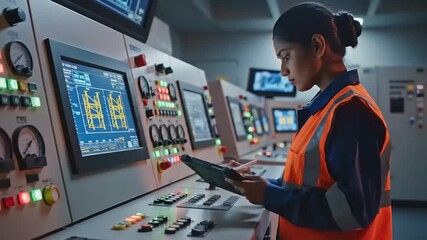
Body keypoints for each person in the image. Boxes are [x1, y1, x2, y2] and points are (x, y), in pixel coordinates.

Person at [226, 2, 392, 240]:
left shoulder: (350, 111)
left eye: (286, 56)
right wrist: (261, 185)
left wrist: (269, 196)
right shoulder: (325, 108)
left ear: (317, 45)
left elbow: (354, 209)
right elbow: (305, 185)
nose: (283, 70)